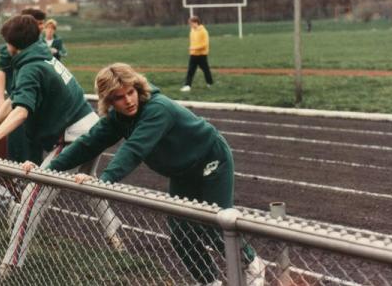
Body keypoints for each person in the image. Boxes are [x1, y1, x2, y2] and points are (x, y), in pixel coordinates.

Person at [22, 63, 265, 286]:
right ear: (109, 101)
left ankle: (252, 264)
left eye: (131, 92)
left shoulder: (157, 109)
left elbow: (134, 149)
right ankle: (210, 282)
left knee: (214, 223)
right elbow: (87, 144)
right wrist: (45, 170)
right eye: (119, 97)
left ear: (138, 88)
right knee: (181, 233)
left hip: (210, 160)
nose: (128, 101)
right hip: (181, 171)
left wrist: (103, 182)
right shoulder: (117, 118)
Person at [0, 14, 122, 278]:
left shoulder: (30, 66)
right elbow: (12, 101)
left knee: (32, 197)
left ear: (12, 44)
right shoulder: (42, 57)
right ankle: (115, 236)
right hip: (90, 126)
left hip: (75, 135)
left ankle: (8, 266)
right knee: (89, 185)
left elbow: (21, 111)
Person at [0, 8, 46, 164]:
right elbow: (1, 72)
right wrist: (0, 97)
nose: (42, 27)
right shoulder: (12, 47)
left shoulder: (39, 47)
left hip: (34, 103)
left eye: (42, 23)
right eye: (38, 23)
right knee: (17, 141)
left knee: (34, 145)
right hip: (19, 100)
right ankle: (17, 175)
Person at [180, 15, 213, 92]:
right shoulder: (192, 31)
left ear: (196, 23)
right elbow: (192, 42)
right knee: (191, 70)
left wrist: (194, 48)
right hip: (193, 54)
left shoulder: (204, 31)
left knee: (205, 69)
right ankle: (187, 85)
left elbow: (205, 44)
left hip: (202, 55)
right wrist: (192, 50)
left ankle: (210, 83)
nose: (190, 25)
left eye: (191, 23)